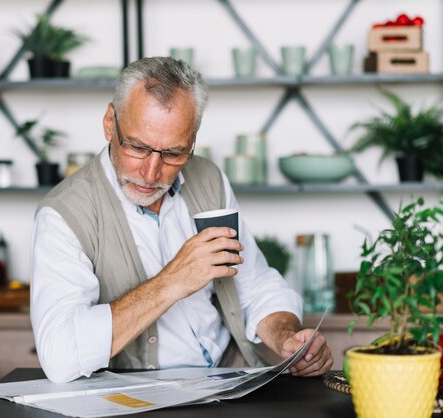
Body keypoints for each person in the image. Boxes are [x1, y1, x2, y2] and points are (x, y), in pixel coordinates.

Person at [30, 56, 333, 383]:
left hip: (226, 381)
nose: (150, 173)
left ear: (192, 140)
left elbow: (254, 284)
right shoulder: (64, 214)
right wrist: (171, 281)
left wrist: (288, 337)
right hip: (132, 399)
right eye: (137, 147)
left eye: (173, 154)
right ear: (109, 122)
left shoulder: (209, 179)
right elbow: (60, 357)